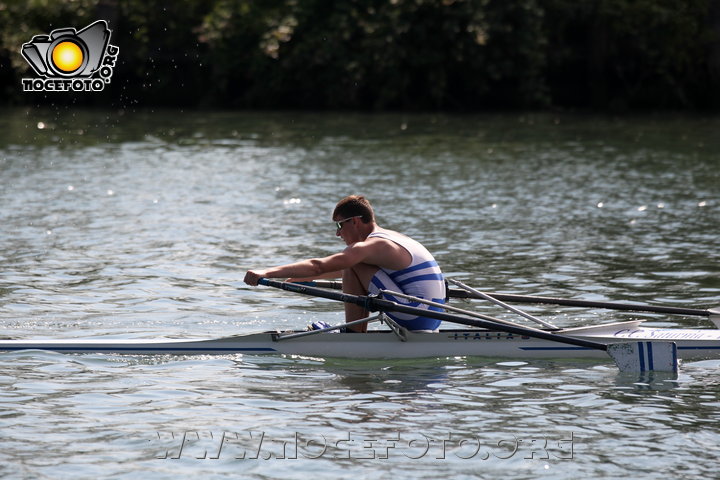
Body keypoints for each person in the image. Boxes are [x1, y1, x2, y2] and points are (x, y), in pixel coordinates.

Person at [243, 195, 446, 332]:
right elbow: (333, 270)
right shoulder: (392, 238)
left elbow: (320, 265)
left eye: (340, 225)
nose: (338, 233)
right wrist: (311, 277)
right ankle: (355, 333)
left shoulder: (371, 245)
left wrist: (266, 272)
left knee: (352, 263)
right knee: (352, 264)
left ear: (355, 221)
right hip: (432, 317)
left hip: (415, 315)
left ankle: (353, 334)